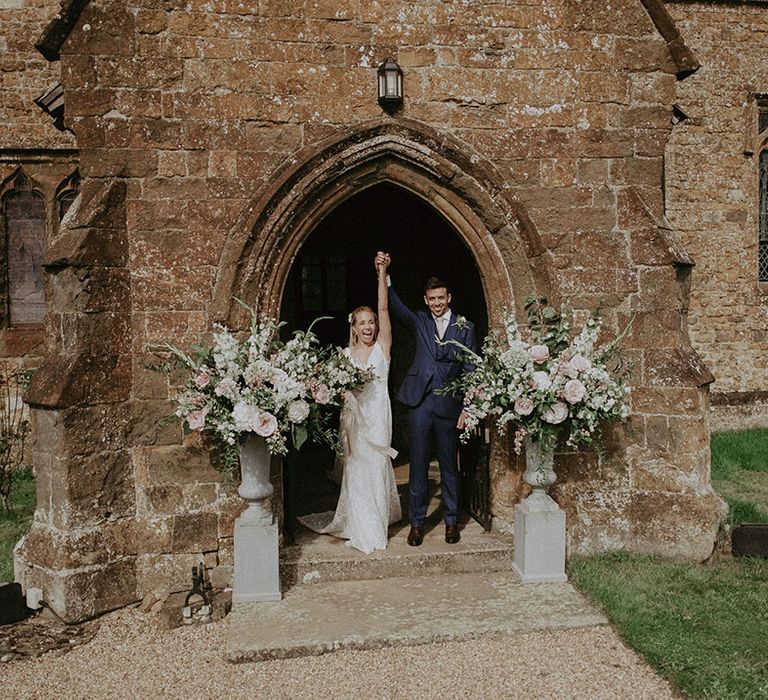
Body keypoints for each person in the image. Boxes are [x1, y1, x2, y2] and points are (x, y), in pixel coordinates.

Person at [298, 256, 402, 554]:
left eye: (371, 322)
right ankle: (361, 526)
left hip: (379, 415)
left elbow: (384, 308)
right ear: (354, 328)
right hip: (355, 418)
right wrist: (343, 394)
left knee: (376, 466)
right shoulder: (344, 355)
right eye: (363, 324)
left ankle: (377, 523)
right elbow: (335, 386)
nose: (369, 327)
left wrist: (382, 273)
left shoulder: (383, 347)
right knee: (356, 468)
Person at [377, 252, 476, 546]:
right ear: (426, 299)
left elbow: (471, 367)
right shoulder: (419, 320)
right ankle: (416, 524)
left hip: (449, 406)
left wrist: (468, 407)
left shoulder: (465, 327)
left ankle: (450, 522)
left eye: (441, 298)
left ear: (449, 297)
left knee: (448, 466)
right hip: (420, 404)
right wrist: (385, 274)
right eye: (432, 299)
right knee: (418, 465)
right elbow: (394, 306)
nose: (436, 303)